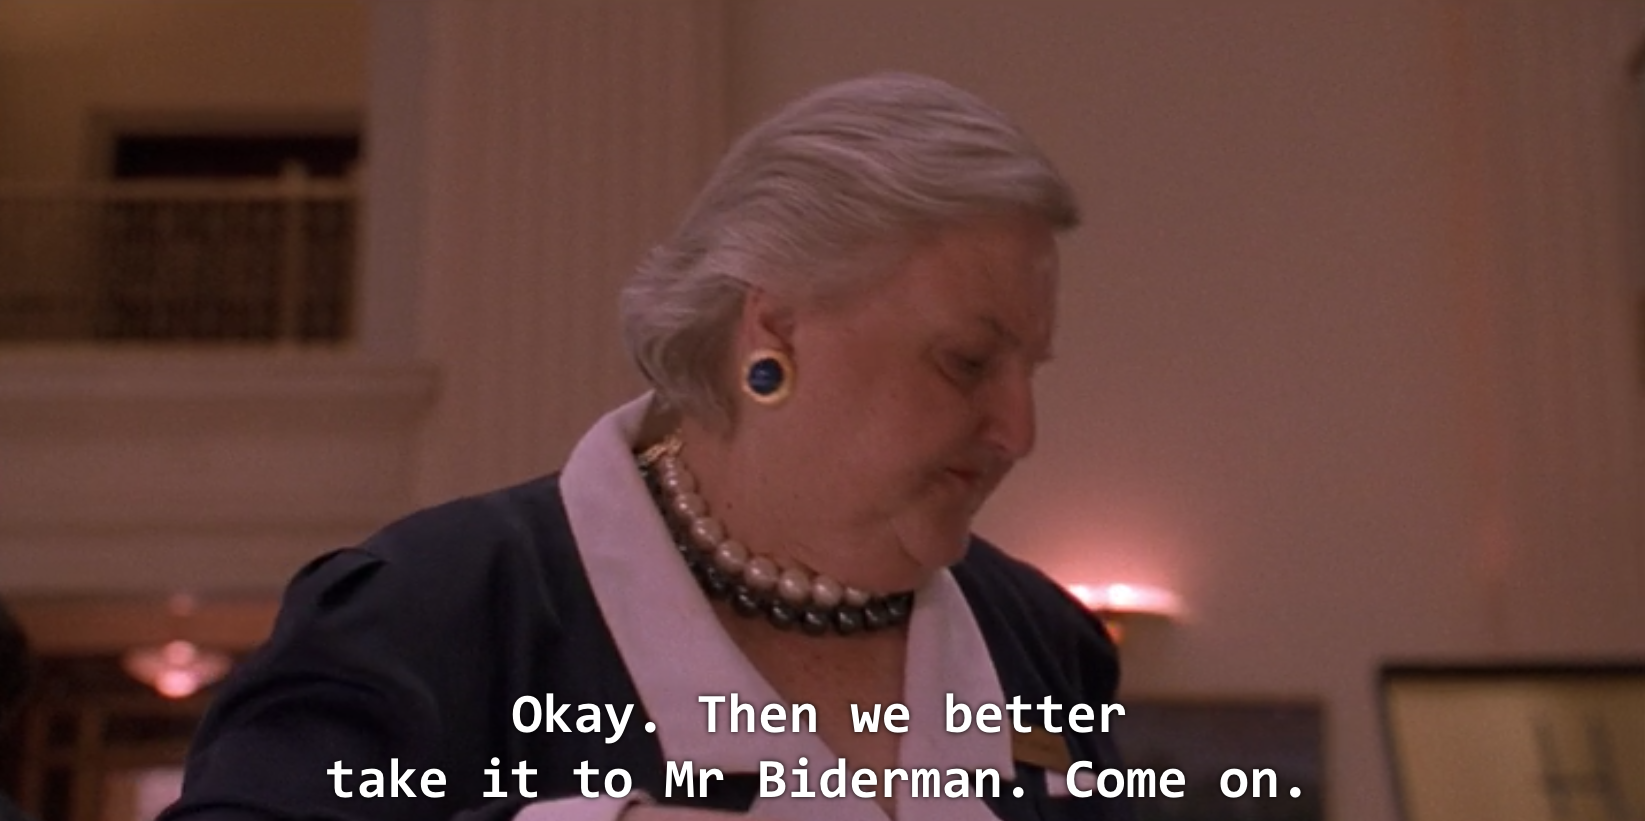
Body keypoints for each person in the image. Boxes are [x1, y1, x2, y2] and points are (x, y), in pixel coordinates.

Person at [161, 72, 1129, 821]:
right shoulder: (436, 612)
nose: (1019, 431)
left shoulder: (1041, 641)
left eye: (1030, 370)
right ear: (772, 332)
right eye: (967, 362)